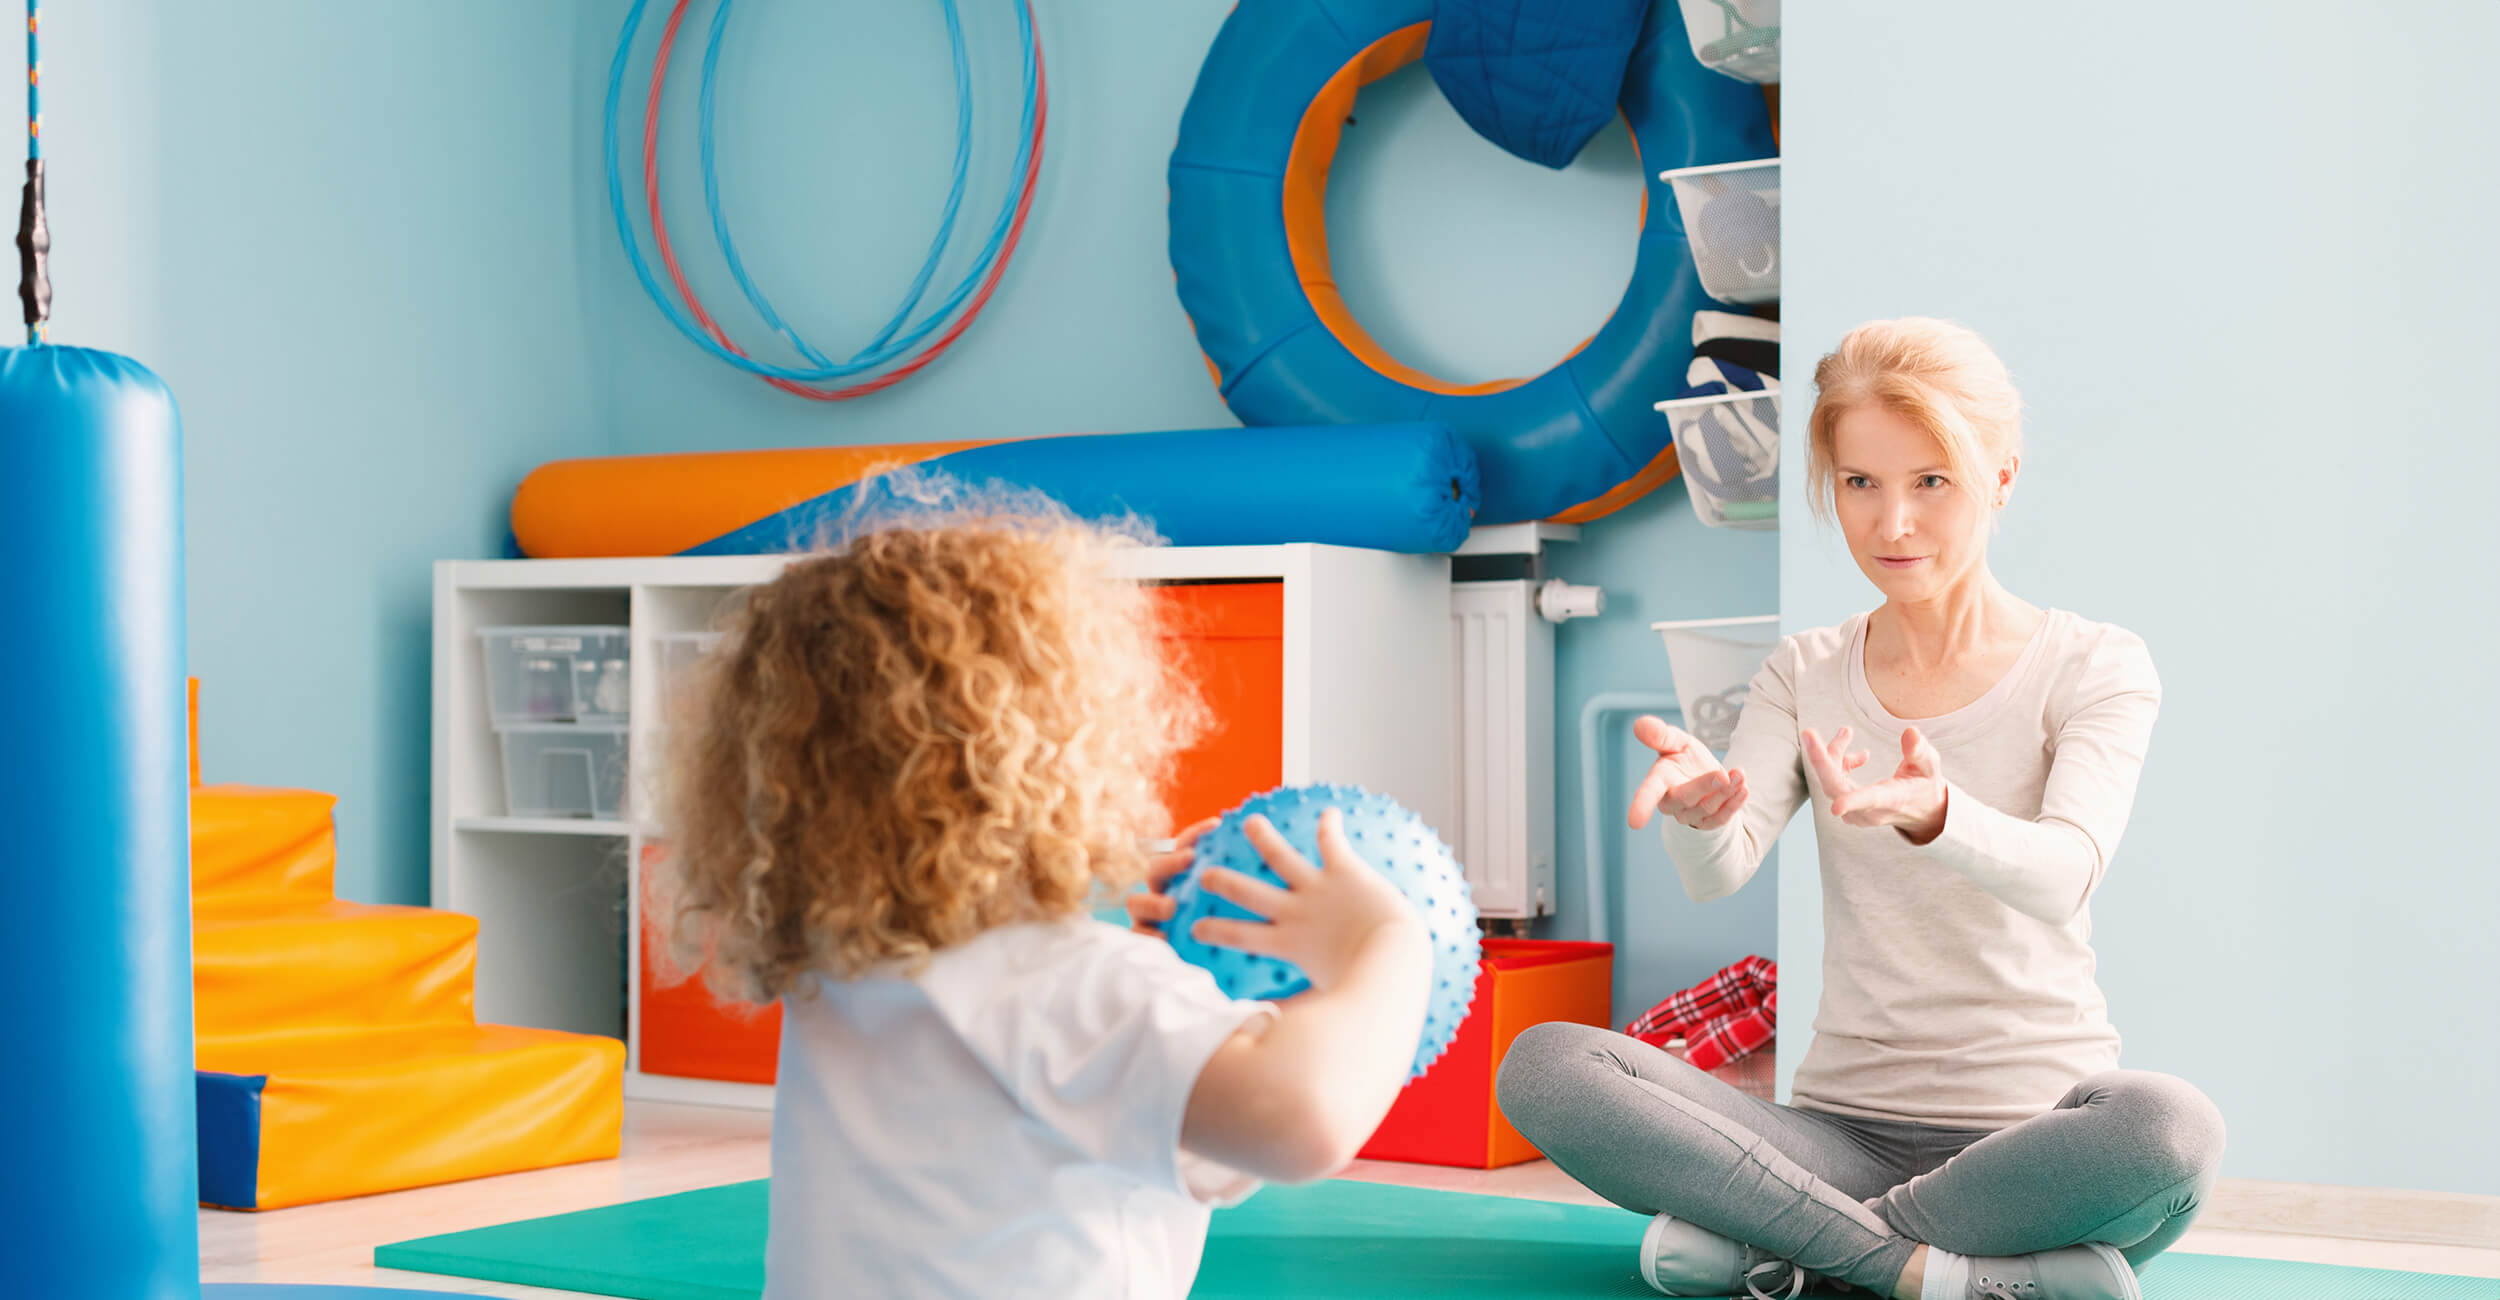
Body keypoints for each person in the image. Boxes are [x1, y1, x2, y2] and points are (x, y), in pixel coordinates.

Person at [1496, 318, 2225, 1300]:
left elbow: (2062, 875)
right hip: (1836, 1134)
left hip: (2034, 1144)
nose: (1892, 525)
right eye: (1858, 483)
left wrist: (1940, 816)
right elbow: (1720, 872)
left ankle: (1795, 1254)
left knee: (2171, 1127)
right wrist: (1703, 814)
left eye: (1931, 481)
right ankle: (1937, 1274)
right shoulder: (1804, 669)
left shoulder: (2094, 664)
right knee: (1547, 1065)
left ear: (2000, 477)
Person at [650, 495, 1431, 1299]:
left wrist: (1165, 984)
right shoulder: (1067, 985)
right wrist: (1387, 946)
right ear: (1063, 750)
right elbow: (1298, 1119)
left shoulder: (850, 977)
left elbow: (1080, 1089)